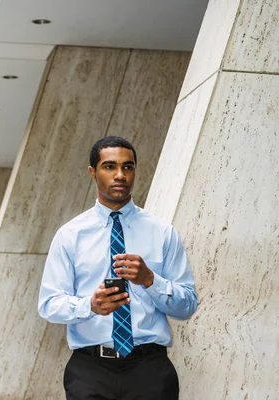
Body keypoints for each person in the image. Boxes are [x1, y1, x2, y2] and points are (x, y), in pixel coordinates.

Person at [38, 136, 198, 400]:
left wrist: (150, 280)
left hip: (150, 370)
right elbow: (49, 304)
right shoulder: (70, 236)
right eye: (110, 166)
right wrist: (89, 305)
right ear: (93, 172)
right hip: (90, 370)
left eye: (128, 167)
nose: (120, 175)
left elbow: (187, 305)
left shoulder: (162, 233)